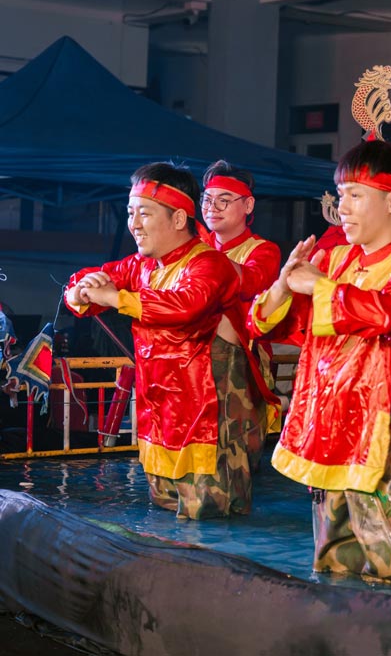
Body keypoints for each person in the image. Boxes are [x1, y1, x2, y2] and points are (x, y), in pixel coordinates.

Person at [248, 139, 391, 587]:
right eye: (340, 196)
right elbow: (267, 325)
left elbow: (385, 314)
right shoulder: (336, 258)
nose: (343, 208)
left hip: (389, 444)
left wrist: (318, 285)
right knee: (333, 569)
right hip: (331, 437)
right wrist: (284, 285)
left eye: (356, 195)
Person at [65, 162, 259, 519]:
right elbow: (96, 277)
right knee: (165, 511)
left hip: (207, 410)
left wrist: (115, 298)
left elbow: (186, 305)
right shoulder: (142, 265)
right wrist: (81, 289)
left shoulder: (210, 264)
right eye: (130, 212)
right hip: (162, 412)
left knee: (211, 516)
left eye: (144, 213)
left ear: (180, 219)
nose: (134, 224)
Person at [201, 160, 281, 470]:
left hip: (241, 359)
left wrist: (199, 257)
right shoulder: (197, 245)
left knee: (237, 447)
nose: (213, 208)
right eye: (207, 200)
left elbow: (250, 283)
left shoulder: (263, 249)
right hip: (195, 356)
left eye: (224, 200)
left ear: (248, 205)